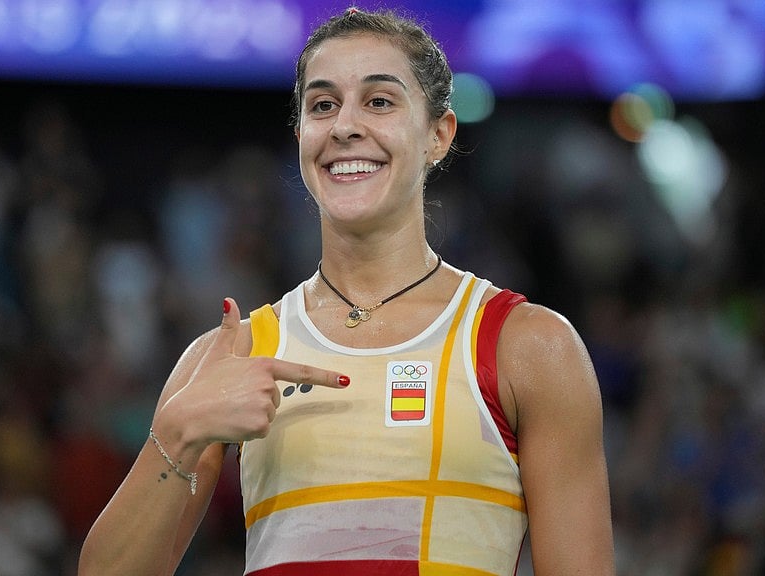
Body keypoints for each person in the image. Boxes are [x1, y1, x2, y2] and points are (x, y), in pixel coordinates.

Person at [78, 6, 614, 576]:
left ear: (439, 134)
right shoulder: (231, 353)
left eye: (379, 101)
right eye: (322, 105)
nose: (344, 126)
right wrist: (178, 434)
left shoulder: (527, 347)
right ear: (302, 135)